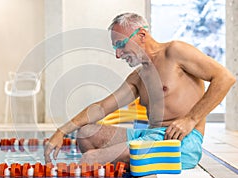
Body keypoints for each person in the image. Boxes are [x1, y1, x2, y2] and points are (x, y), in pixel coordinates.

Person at [44, 13, 236, 169]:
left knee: (92, 159)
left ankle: (129, 160)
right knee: (86, 133)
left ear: (141, 35)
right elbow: (102, 107)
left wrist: (190, 119)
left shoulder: (175, 52)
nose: (118, 54)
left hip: (180, 142)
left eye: (120, 44)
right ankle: (134, 162)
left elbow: (225, 78)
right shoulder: (138, 77)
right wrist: (62, 131)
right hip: (148, 136)